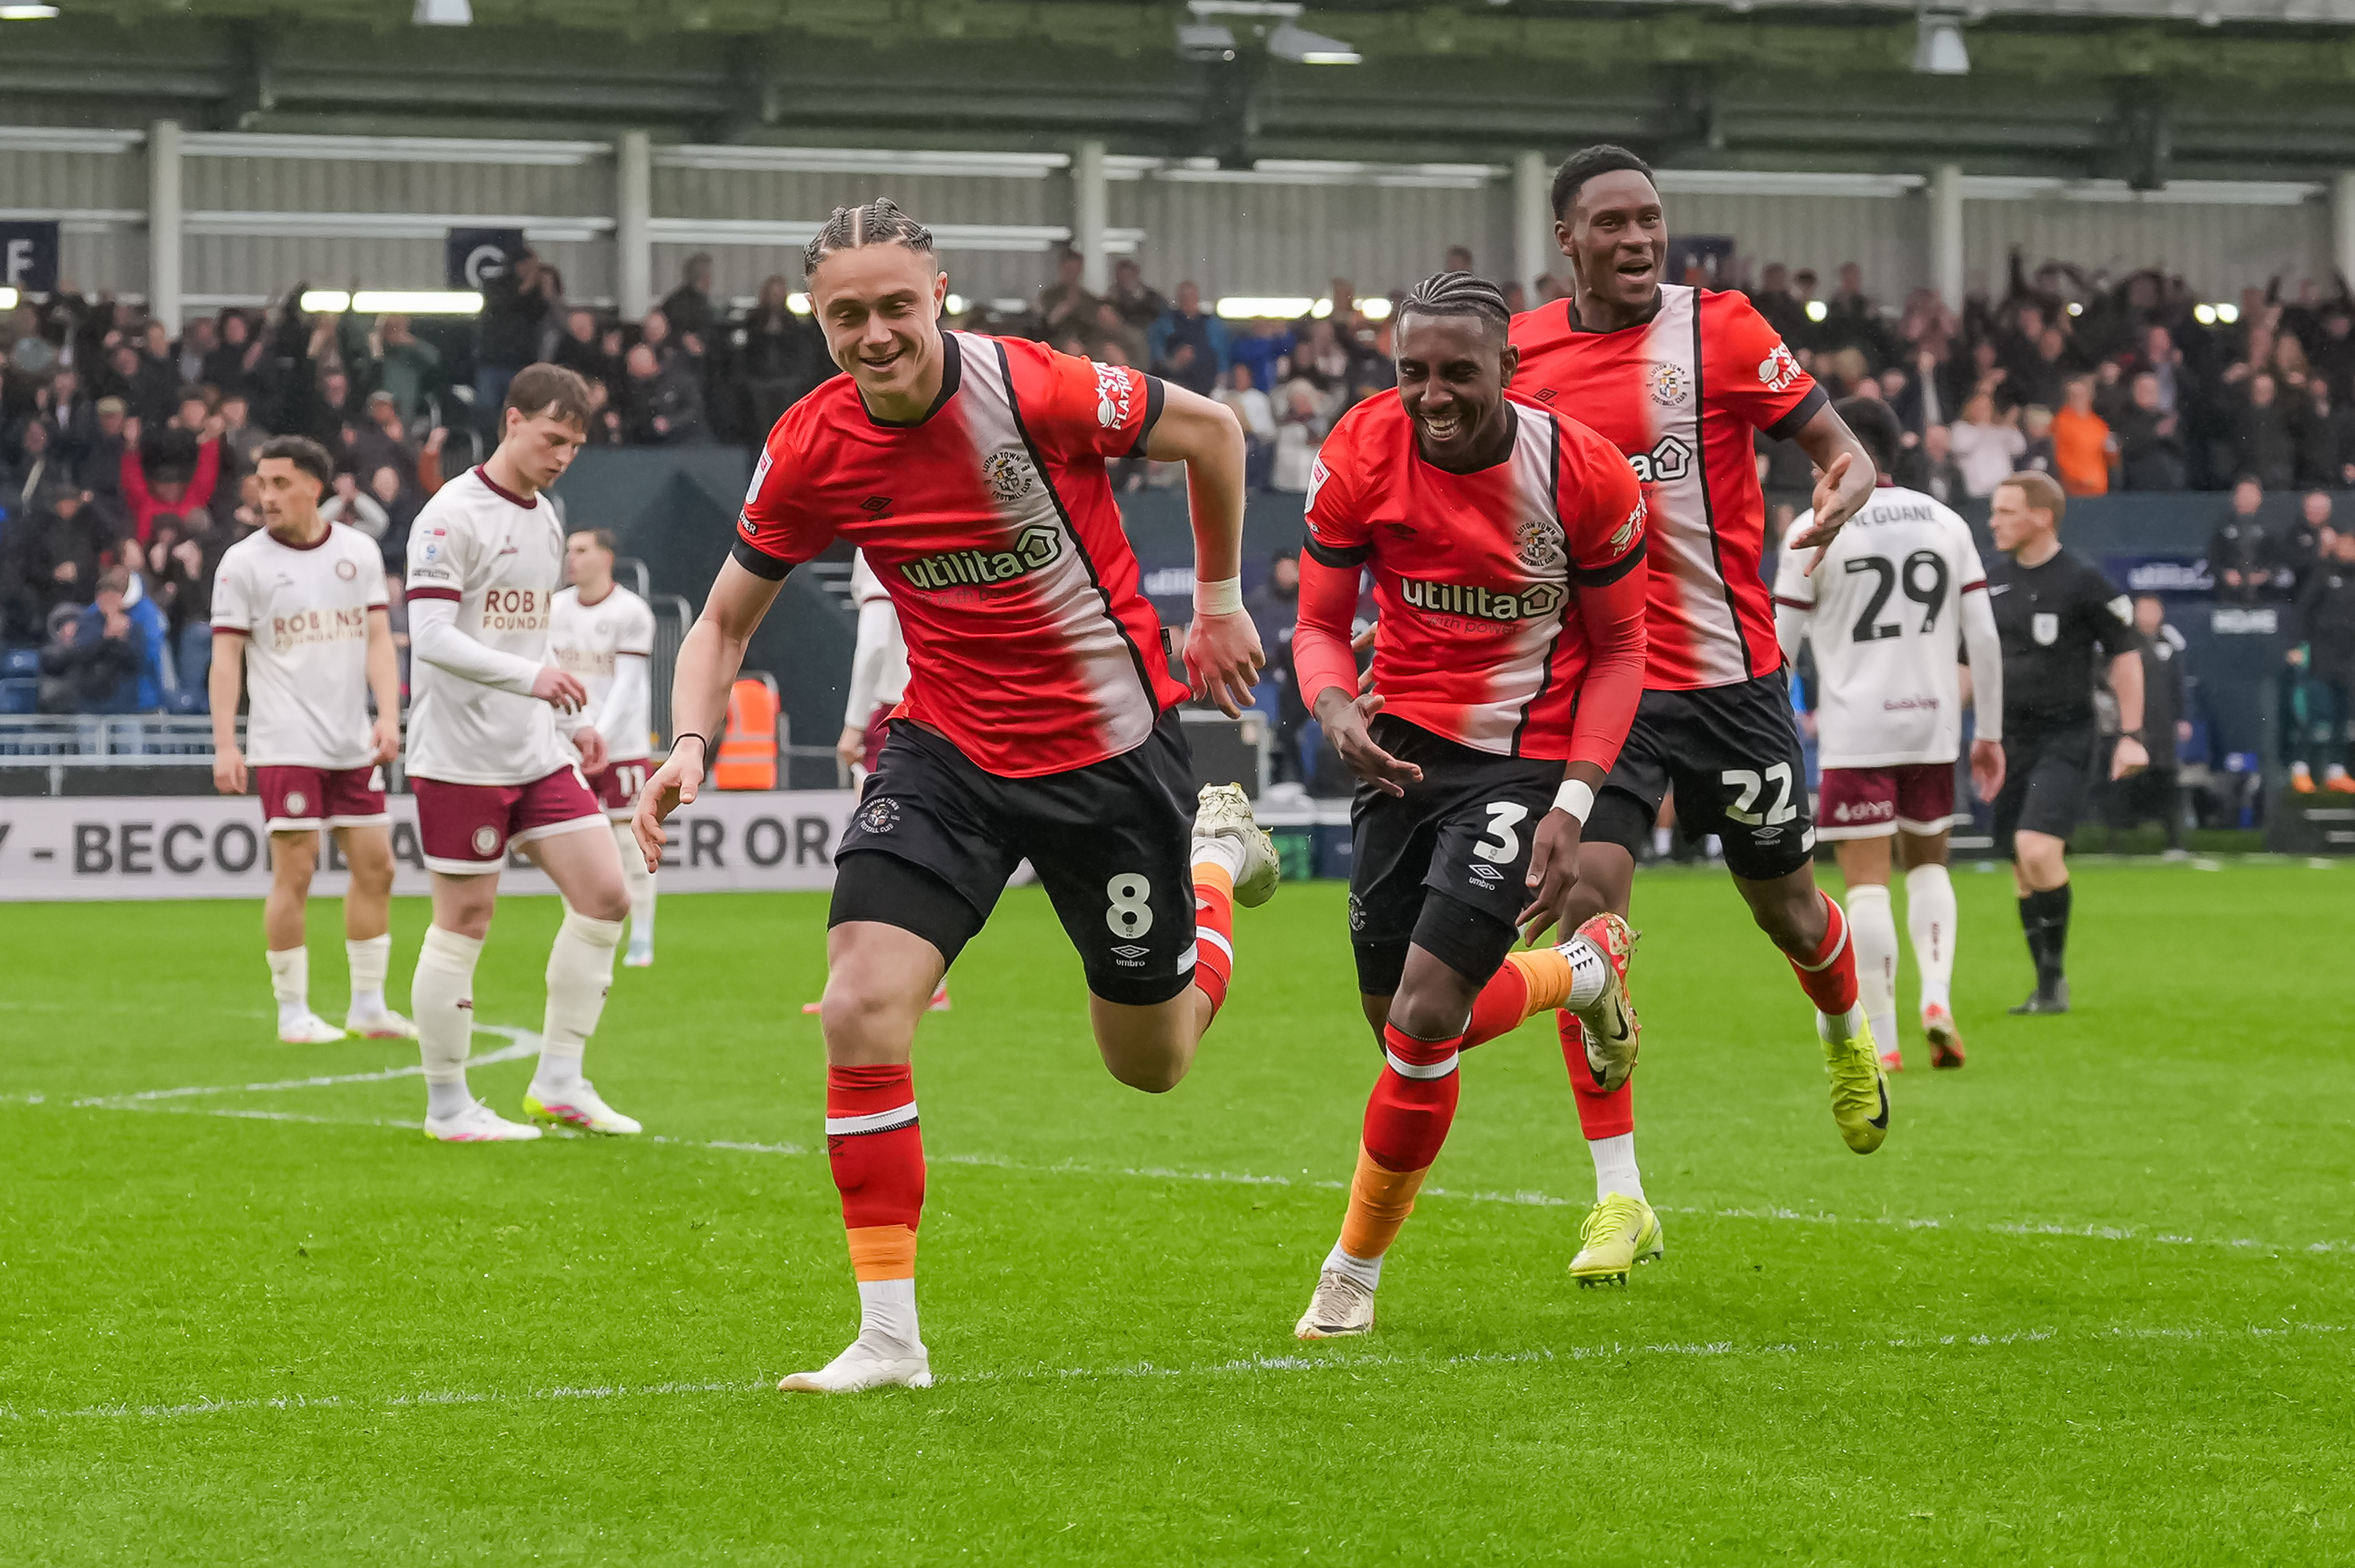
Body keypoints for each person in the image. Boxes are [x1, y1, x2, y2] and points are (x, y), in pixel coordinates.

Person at [633, 199, 1277, 1393]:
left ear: (941, 298)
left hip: (1107, 761)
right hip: (948, 754)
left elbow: (1218, 432)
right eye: (846, 315)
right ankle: (889, 1337)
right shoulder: (814, 443)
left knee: (1154, 1061)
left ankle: (1216, 868)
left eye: (894, 306)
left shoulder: (1033, 388)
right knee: (859, 1005)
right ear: (815, 320)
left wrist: (1224, 600)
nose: (875, 334)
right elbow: (722, 620)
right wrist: (685, 742)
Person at [1507, 144, 1889, 1209]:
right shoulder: (1517, 354)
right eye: (1614, 222)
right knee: (1587, 906)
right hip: (1604, 681)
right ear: (1567, 239)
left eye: (1650, 219)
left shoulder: (1718, 329)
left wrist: (1844, 483)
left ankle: (1844, 1030)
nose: (1638, 238)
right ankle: (1619, 1194)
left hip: (1732, 681)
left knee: (1794, 914)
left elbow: (1839, 446)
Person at [1287, 273, 1653, 1337]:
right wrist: (1333, 699)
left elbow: (1624, 648)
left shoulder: (1582, 472)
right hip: (1398, 752)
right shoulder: (1360, 449)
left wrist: (1575, 799)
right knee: (1397, 1028)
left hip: (1522, 758)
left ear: (1509, 369)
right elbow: (1318, 621)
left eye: (1457, 373)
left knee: (1426, 1014)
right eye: (1412, 372)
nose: (1433, 394)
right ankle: (1580, 974)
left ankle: (1349, 1281)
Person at [402, 363, 639, 1142]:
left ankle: (560, 1081)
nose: (564, 454)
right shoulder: (449, 518)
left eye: (574, 443)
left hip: (534, 750)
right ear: (512, 421)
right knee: (464, 920)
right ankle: (447, 1107)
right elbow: (433, 640)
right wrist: (535, 679)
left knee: (608, 895)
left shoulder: (544, 516)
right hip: (459, 755)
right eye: (552, 437)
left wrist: (569, 725)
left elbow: (525, 635)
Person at [1773, 399, 2006, 1073]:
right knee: (1930, 865)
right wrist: (1987, 730)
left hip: (1856, 727)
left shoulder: (1821, 524)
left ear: (1838, 452)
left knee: (1866, 884)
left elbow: (1779, 647)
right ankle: (1937, 998)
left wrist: (1776, 729)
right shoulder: (1947, 521)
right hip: (1932, 721)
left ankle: (1886, 1034)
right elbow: (1984, 639)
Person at [207, 436, 413, 1045]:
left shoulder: (358, 551)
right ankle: (293, 1011)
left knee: (378, 868)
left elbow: (379, 639)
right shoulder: (243, 563)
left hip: (353, 742)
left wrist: (388, 714)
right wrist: (226, 743)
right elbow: (226, 660)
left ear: (314, 487)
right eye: (261, 483)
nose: (266, 496)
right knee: (294, 872)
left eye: (279, 484)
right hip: (285, 742)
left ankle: (369, 1006)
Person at [1985, 472, 2149, 1015]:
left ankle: (2054, 982)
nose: (1995, 520)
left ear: (2042, 516)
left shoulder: (2083, 581)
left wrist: (2130, 734)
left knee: (2038, 848)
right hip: (2009, 741)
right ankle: (2044, 983)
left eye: (2007, 511)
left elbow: (2125, 655)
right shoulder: (1990, 582)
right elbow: (1971, 666)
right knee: (2019, 860)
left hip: (2068, 733)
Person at [550, 527, 662, 968]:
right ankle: (583, 931)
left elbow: (627, 684)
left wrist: (598, 734)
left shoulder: (631, 612)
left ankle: (642, 938)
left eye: (581, 550)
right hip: (567, 745)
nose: (570, 559)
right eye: (568, 551)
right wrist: (572, 732)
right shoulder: (554, 609)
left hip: (622, 746)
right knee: (570, 842)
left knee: (632, 843)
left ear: (606, 558)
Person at [2110, 594, 2192, 848]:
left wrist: (2181, 718)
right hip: (2132, 727)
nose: (2148, 616)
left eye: (2153, 610)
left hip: (2163, 727)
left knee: (2166, 780)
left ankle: (2173, 840)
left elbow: (2178, 685)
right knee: (2127, 780)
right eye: (2143, 610)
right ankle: (2119, 838)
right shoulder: (2125, 643)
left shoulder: (2170, 643)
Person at [2290, 528, 2355, 793]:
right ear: (2336, 545)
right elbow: (2304, 609)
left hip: (2349, 659)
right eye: (2347, 544)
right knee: (2316, 715)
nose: (2350, 549)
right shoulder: (2322, 573)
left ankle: (2336, 771)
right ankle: (2301, 768)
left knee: (2343, 717)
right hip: (2321, 656)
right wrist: (2298, 646)